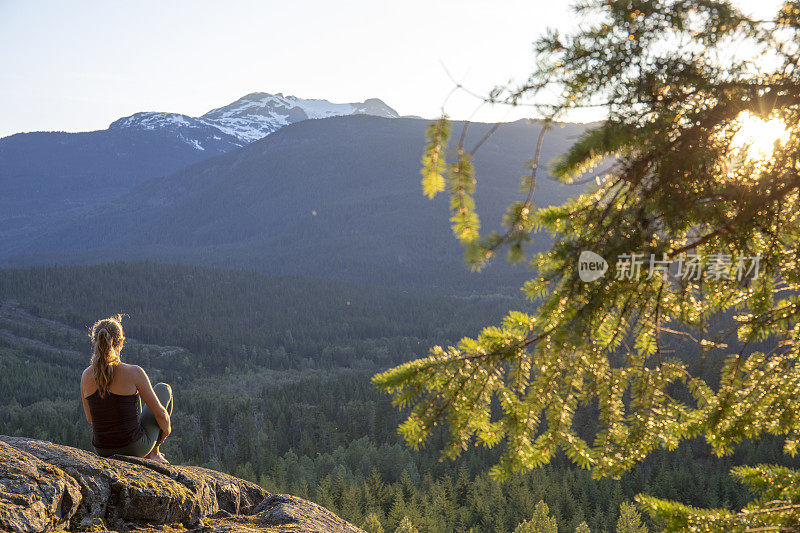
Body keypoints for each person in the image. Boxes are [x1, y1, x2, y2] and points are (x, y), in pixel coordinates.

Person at [80, 314, 173, 463]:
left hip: (102, 449)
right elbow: (161, 415)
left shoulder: (86, 375)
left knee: (134, 400)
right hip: (134, 448)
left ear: (95, 341)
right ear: (121, 342)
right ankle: (154, 453)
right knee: (163, 388)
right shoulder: (134, 372)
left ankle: (152, 452)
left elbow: (90, 418)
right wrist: (165, 432)